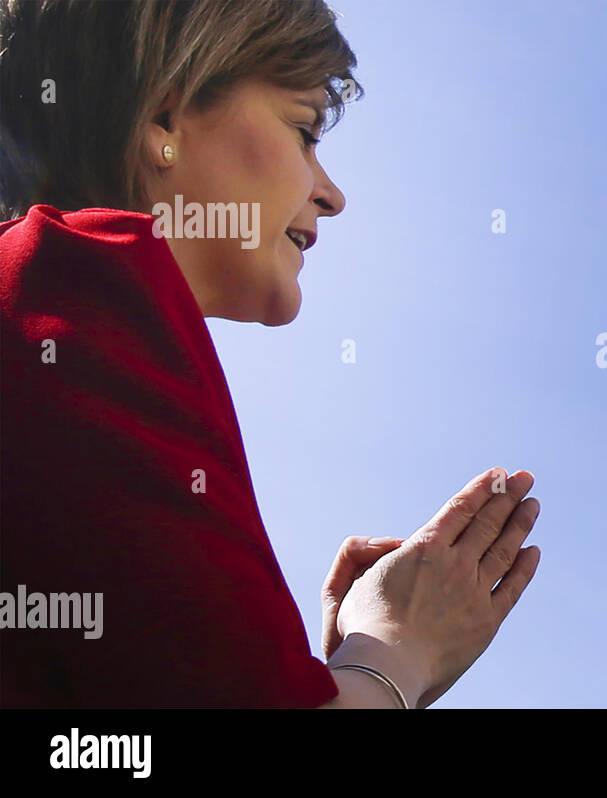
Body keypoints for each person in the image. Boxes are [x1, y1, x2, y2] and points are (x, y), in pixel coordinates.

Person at [0, 0, 541, 708]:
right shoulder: (80, 280)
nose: (332, 193)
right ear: (166, 119)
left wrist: (305, 669)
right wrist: (401, 644)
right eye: (305, 130)